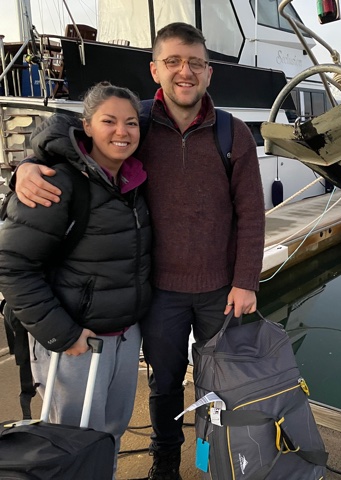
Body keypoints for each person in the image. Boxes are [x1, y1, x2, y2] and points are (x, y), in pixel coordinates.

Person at [15, 22, 266, 480]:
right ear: (155, 70)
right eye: (173, 61)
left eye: (195, 63)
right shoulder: (137, 123)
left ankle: (213, 461)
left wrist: (246, 280)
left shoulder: (233, 134)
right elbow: (69, 136)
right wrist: (28, 165)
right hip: (159, 292)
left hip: (220, 292)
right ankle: (165, 460)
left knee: (220, 386)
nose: (185, 72)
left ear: (209, 73)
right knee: (164, 384)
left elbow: (251, 213)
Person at [0, 81, 153, 477]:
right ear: (86, 125)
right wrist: (64, 335)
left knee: (109, 435)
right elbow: (11, 265)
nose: (122, 131)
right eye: (109, 121)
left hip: (123, 335)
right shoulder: (56, 182)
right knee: (70, 443)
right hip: (75, 344)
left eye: (131, 123)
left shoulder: (134, 181)